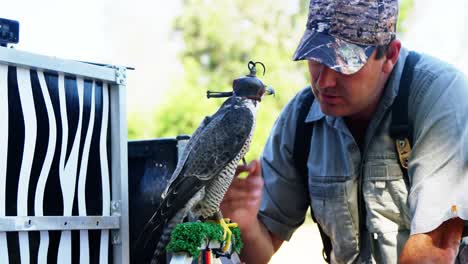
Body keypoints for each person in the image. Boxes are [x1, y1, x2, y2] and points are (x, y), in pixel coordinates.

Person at [220, 0, 468, 263]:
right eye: (316, 58)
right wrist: (244, 223)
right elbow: (261, 249)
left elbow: (436, 248)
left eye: (345, 63)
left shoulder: (440, 97)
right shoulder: (300, 117)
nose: (324, 82)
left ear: (390, 55)